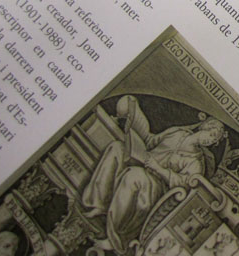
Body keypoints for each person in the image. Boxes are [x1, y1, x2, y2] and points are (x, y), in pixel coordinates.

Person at [80, 96, 225, 254]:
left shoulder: (197, 162)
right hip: (143, 160)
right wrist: (135, 117)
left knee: (135, 176)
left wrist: (158, 168)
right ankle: (98, 204)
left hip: (156, 184)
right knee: (117, 148)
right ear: (205, 126)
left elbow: (183, 183)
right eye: (212, 134)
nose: (211, 140)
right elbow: (151, 141)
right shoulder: (177, 132)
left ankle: (114, 236)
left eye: (215, 139)